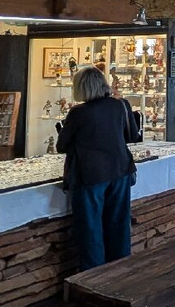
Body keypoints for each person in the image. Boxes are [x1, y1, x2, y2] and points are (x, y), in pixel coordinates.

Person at [58, 65, 135, 271]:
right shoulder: (120, 106)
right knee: (119, 225)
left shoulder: (79, 113)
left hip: (90, 175)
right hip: (120, 169)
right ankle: (121, 271)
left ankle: (94, 277)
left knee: (90, 230)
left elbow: (61, 146)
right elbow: (131, 135)